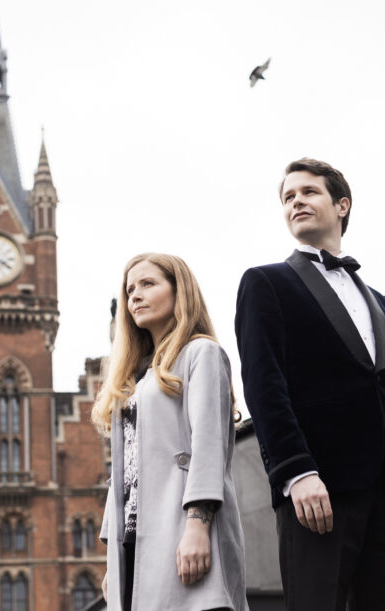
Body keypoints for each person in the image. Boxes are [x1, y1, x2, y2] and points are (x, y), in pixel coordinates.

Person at [235, 159, 385, 610]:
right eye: (288, 197)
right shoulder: (265, 283)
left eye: (308, 192)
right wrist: (296, 471)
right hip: (316, 491)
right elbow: (264, 384)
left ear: (341, 205)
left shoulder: (381, 304)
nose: (296, 201)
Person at [93, 253, 249, 611]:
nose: (135, 295)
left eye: (148, 284)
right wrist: (111, 558)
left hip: (180, 526)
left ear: (179, 292)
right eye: (130, 288)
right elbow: (123, 470)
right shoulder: (133, 377)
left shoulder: (201, 353)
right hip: (134, 539)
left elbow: (208, 446)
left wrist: (196, 526)